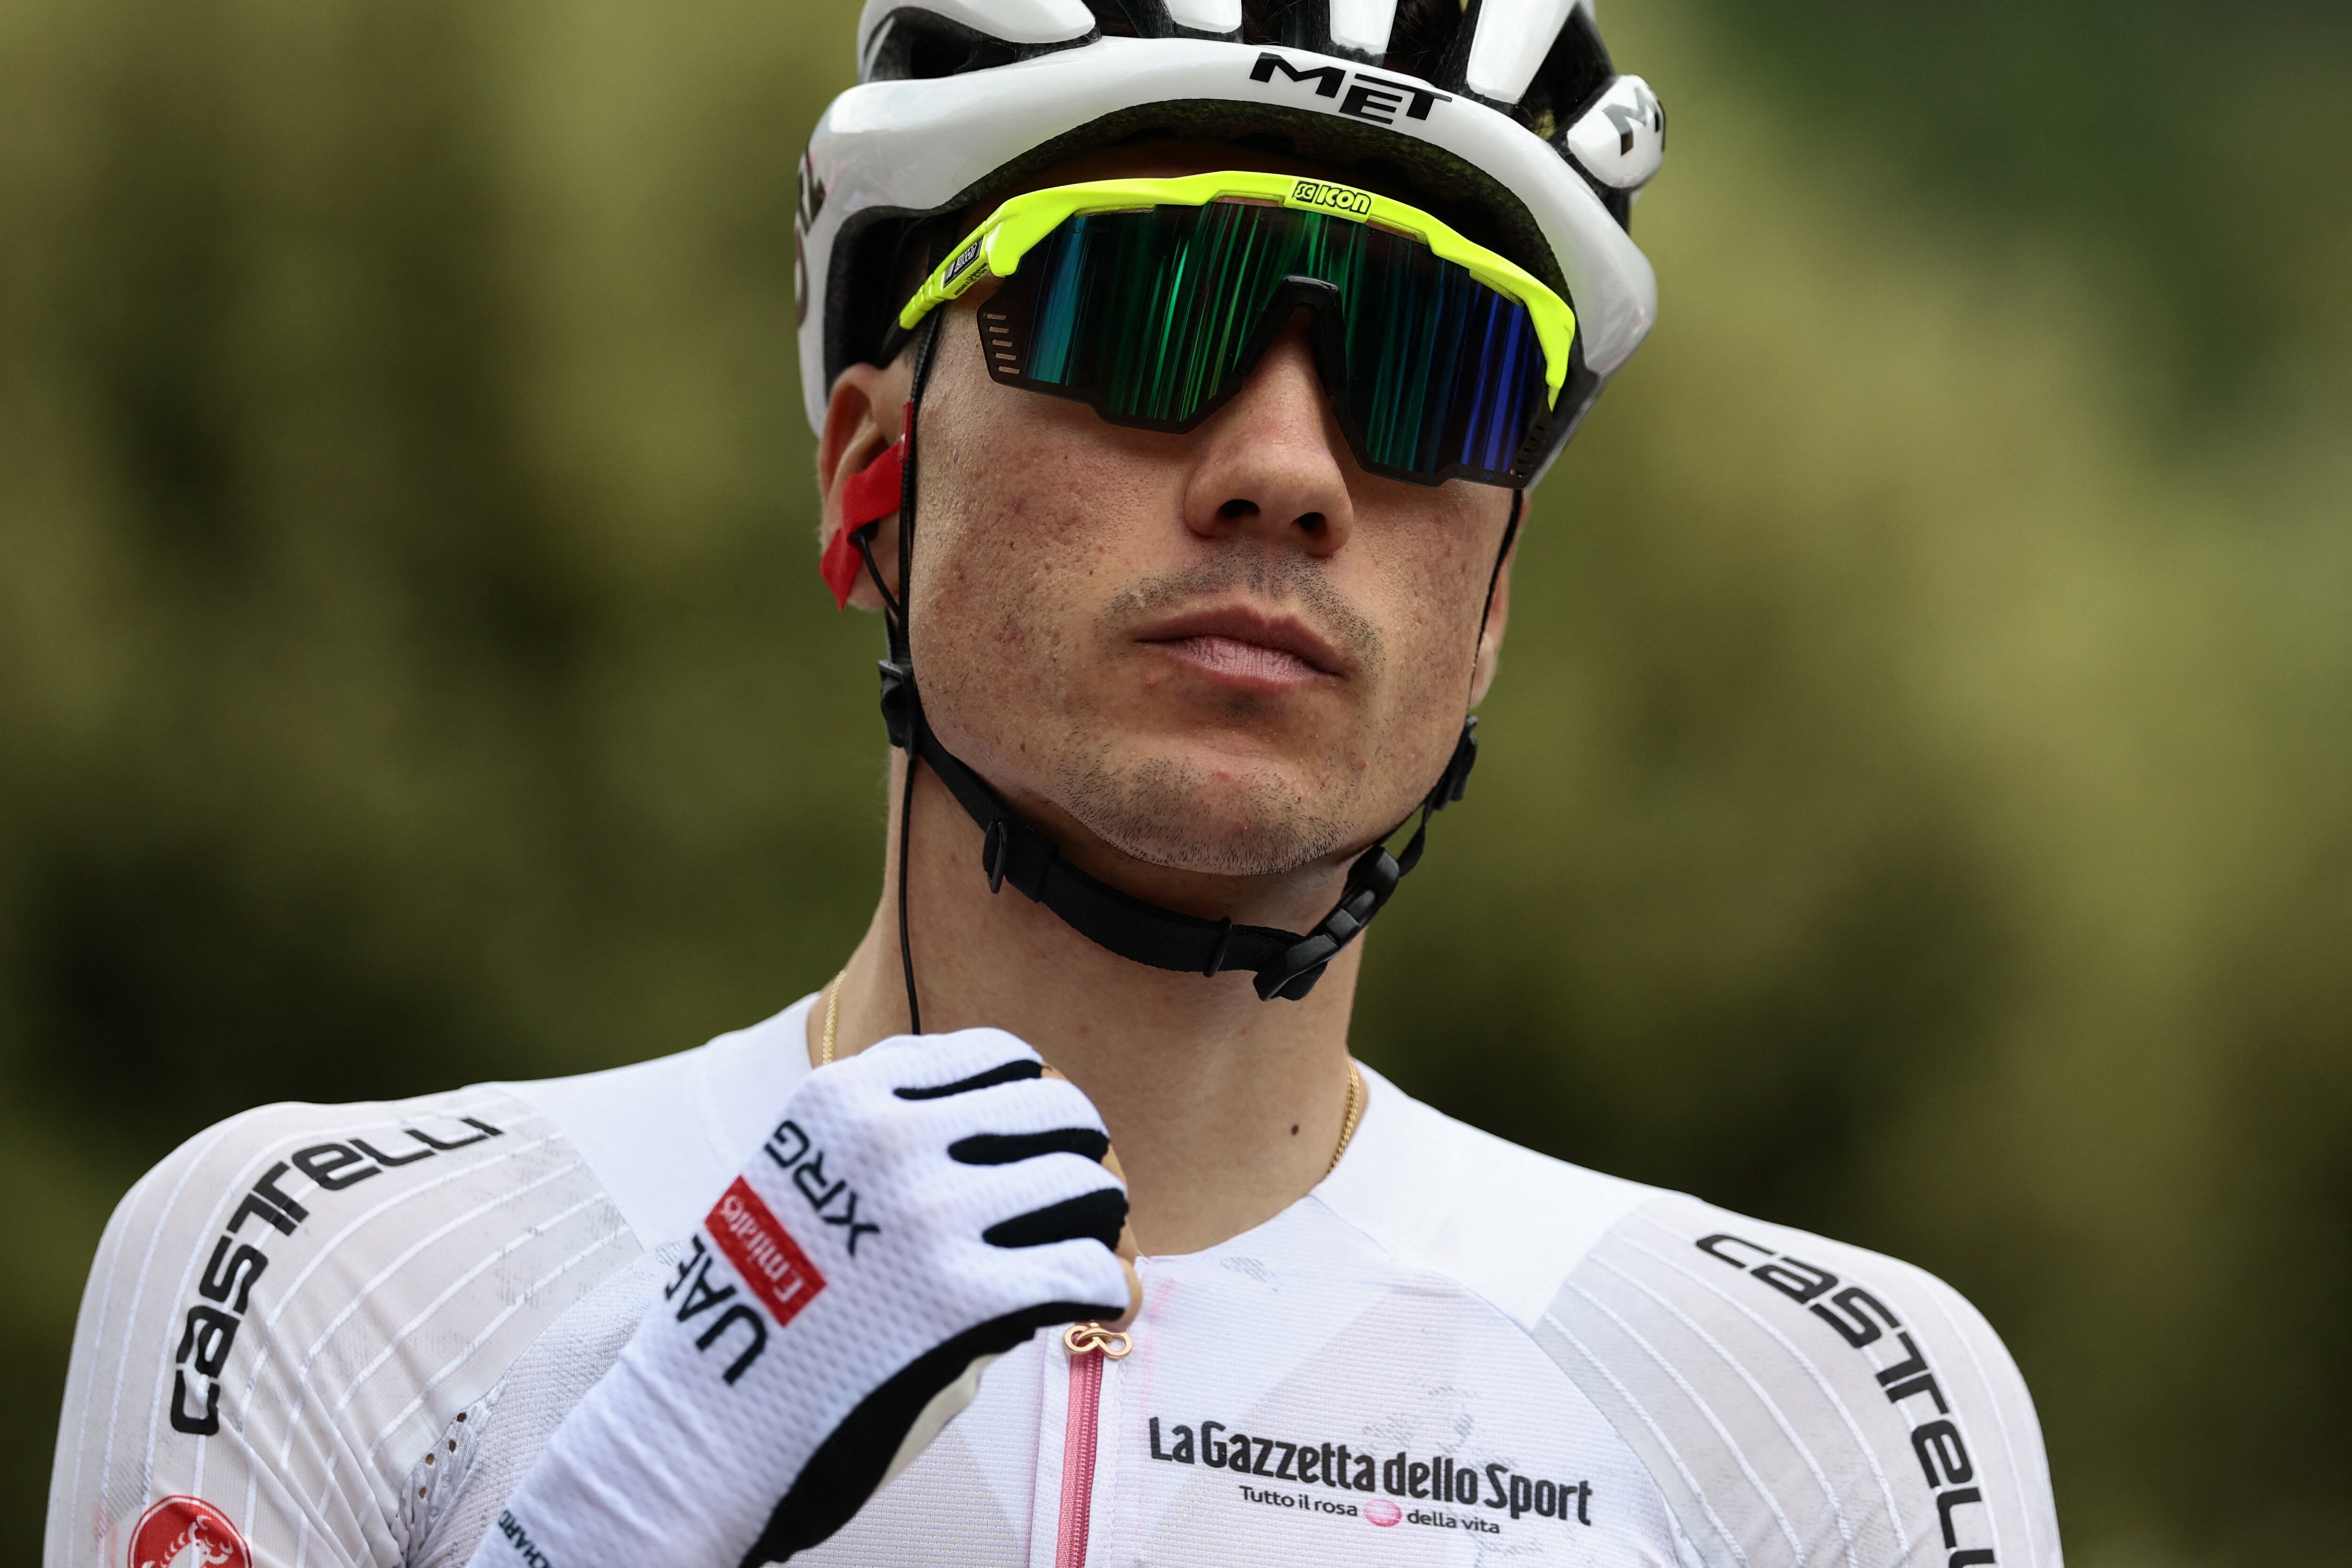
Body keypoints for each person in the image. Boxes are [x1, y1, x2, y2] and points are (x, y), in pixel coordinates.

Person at [47, 2, 2064, 1566]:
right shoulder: (329, 1271)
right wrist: (627, 1509)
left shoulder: (1824, 1418)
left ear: (1495, 597)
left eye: (1430, 365)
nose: (1284, 471)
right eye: (1143, 310)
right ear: (868, 469)